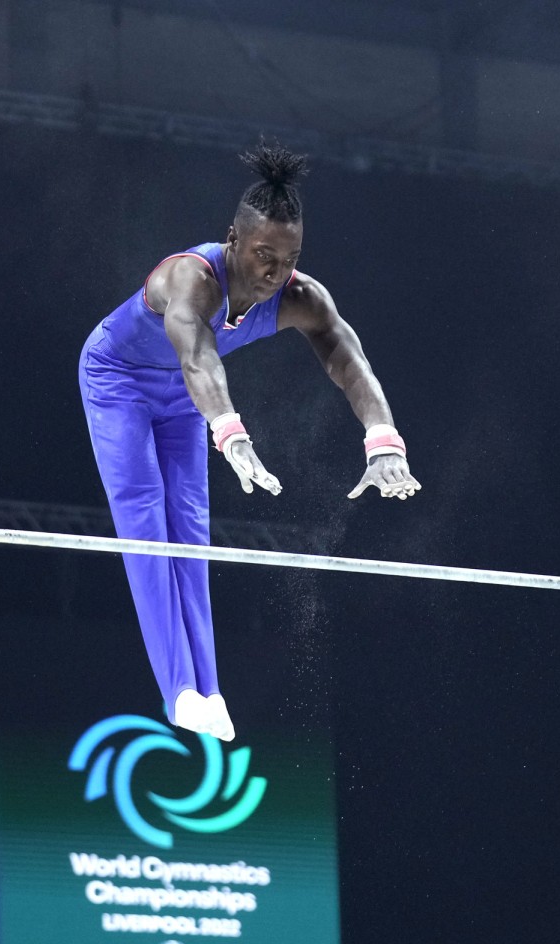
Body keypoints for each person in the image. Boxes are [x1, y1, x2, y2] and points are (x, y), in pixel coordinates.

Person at [78, 142, 420, 741]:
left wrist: (383, 437)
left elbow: (347, 358)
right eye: (264, 256)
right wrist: (229, 431)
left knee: (191, 528)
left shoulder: (299, 297)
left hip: (185, 396)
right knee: (146, 517)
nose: (275, 274)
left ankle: (209, 691)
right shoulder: (189, 277)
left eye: (289, 260)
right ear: (232, 240)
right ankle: (179, 693)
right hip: (119, 380)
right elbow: (197, 356)